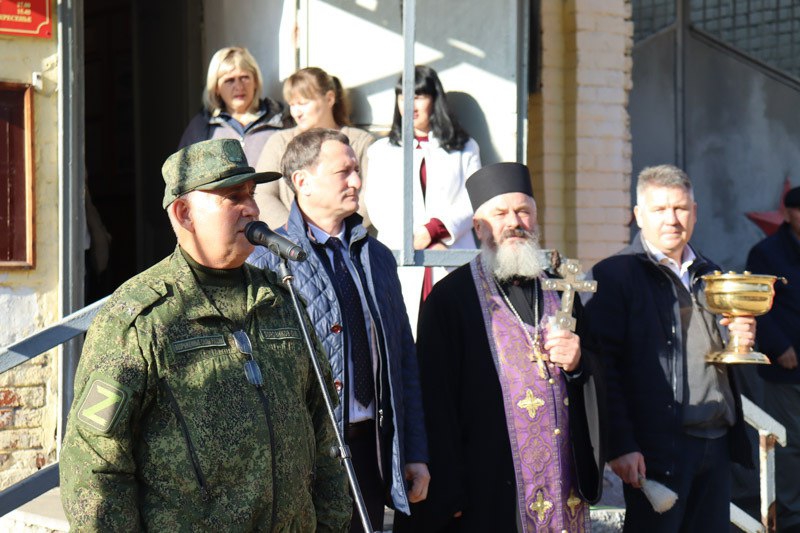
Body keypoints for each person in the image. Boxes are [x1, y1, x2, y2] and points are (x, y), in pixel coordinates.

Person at [60, 139, 351, 531]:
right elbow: (96, 463)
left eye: (251, 194)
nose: (252, 209)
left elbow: (324, 433)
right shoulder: (140, 318)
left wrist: (332, 523)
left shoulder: (280, 302)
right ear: (185, 213)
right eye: (233, 197)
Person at [394, 162, 604, 532]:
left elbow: (596, 370)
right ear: (478, 227)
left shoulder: (562, 291)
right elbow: (435, 401)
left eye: (523, 211)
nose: (514, 222)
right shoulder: (450, 299)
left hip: (561, 481)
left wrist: (578, 364)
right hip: (487, 486)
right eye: (501, 213)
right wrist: (450, 490)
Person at [248, 128, 430, 532]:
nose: (356, 182)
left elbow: (403, 358)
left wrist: (415, 452)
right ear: (302, 181)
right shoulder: (266, 261)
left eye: (356, 170)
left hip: (371, 449)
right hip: (307, 455)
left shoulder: (377, 257)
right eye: (343, 172)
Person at [583, 164, 755, 531]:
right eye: (660, 209)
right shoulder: (613, 276)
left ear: (695, 212)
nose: (672, 219)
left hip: (716, 441)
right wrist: (620, 444)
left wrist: (740, 336)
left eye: (680, 208)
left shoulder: (712, 274)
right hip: (655, 447)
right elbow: (602, 368)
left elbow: (718, 352)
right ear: (638, 215)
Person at [365, 65, 480, 320]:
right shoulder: (381, 150)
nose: (409, 105)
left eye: (418, 96)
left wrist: (436, 230)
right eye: (403, 96)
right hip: (401, 255)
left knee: (454, 324)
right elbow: (378, 207)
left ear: (434, 99)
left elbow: (473, 198)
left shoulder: (465, 147)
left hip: (450, 251)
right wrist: (415, 238)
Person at [254, 67, 374, 229]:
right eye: (292, 104)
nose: (296, 112)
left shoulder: (361, 141)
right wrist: (294, 233)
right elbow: (263, 194)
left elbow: (372, 197)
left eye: (303, 103)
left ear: (329, 99)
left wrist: (341, 233)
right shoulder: (279, 142)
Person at [746, 185, 800, 532]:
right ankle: (792, 516)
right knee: (790, 443)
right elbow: (757, 306)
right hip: (787, 367)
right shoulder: (766, 253)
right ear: (789, 214)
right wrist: (779, 347)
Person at [178, 46, 289, 164]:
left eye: (244, 78)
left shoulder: (281, 120)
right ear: (216, 87)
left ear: (256, 81)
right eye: (230, 80)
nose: (239, 87)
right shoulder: (201, 126)